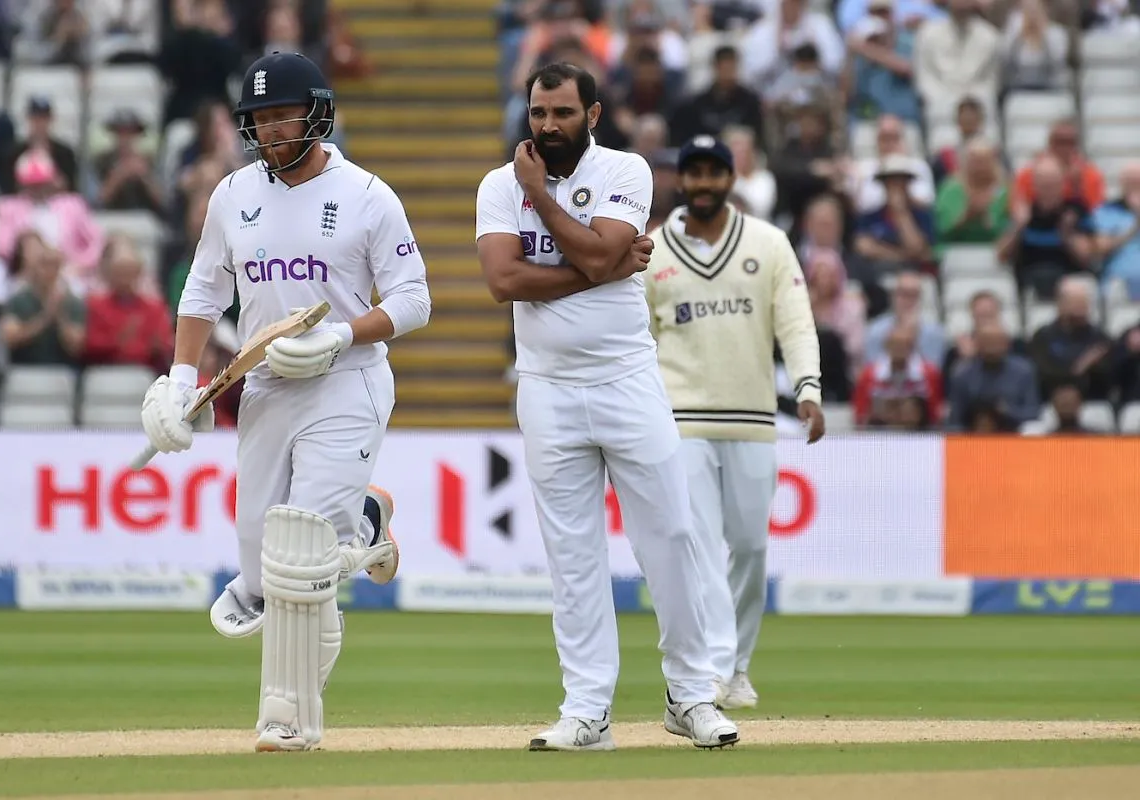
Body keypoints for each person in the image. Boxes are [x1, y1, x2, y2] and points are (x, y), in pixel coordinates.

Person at [137, 51, 431, 753]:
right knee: (262, 574)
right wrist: (181, 380)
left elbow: (416, 301)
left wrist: (339, 336)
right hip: (266, 387)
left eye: (283, 114)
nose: (271, 129)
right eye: (260, 118)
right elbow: (204, 293)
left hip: (347, 380)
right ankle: (365, 524)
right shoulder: (233, 194)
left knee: (301, 555)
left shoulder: (366, 194)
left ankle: (288, 716)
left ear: (317, 113)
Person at [475, 62, 738, 752]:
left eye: (562, 113)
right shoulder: (498, 185)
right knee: (573, 556)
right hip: (546, 387)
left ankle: (691, 696)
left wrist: (552, 208)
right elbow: (504, 280)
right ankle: (586, 710)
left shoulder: (626, 171)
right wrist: (601, 262)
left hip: (626, 378)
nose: (548, 126)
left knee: (673, 538)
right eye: (538, 113)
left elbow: (597, 256)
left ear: (592, 114)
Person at [645, 135, 824, 710]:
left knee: (747, 547)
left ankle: (737, 665)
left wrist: (808, 387)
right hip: (680, 418)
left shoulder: (768, 244)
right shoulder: (652, 251)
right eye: (692, 173)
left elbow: (794, 323)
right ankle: (715, 670)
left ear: (730, 180)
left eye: (712, 173)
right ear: (681, 180)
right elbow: (635, 340)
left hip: (751, 417)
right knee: (696, 544)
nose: (702, 183)